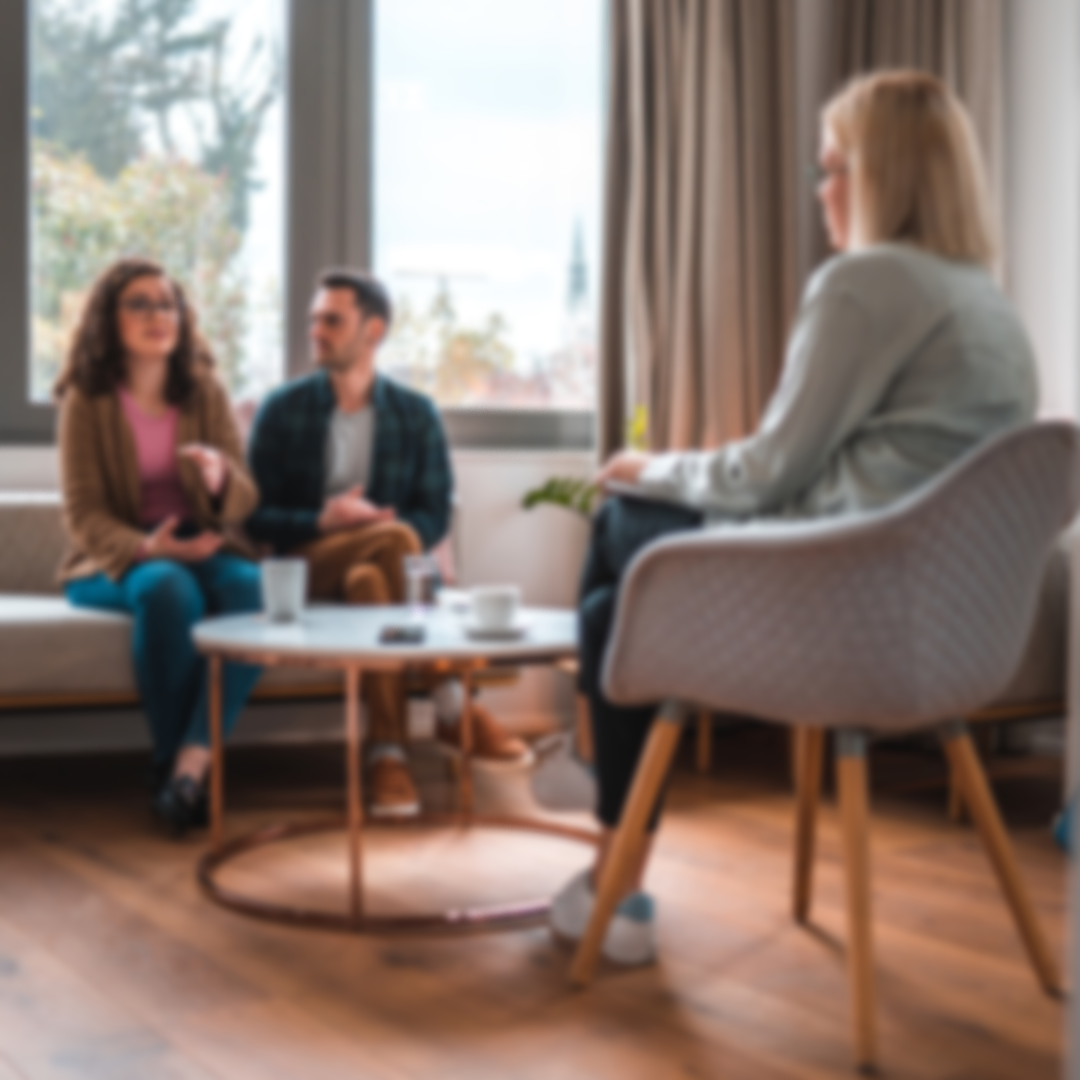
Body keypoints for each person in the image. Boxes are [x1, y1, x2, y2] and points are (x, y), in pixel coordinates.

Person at [552, 70, 1040, 965]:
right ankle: (612, 862)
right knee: (608, 617)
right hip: (938, 632)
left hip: (830, 603)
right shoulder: (992, 308)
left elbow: (768, 472)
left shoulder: (865, 283)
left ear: (882, 174)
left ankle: (598, 807)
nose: (821, 191)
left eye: (832, 169)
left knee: (620, 517)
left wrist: (646, 463)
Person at [246, 268, 529, 820]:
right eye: (313, 320)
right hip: (307, 563)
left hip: (371, 575)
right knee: (393, 536)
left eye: (332, 320)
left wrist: (373, 535)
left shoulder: (415, 413)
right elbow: (256, 517)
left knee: (371, 578)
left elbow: (434, 513)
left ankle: (389, 755)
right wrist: (327, 521)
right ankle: (452, 703)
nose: (316, 331)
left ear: (372, 331)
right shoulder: (281, 409)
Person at [56, 257, 264, 836]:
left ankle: (190, 761)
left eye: (167, 303)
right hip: (118, 561)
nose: (157, 314)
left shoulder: (205, 391)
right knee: (170, 591)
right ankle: (176, 769)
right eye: (140, 303)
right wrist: (149, 550)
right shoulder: (88, 398)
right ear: (109, 320)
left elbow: (246, 496)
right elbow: (84, 513)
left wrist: (222, 481)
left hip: (200, 547)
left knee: (253, 590)